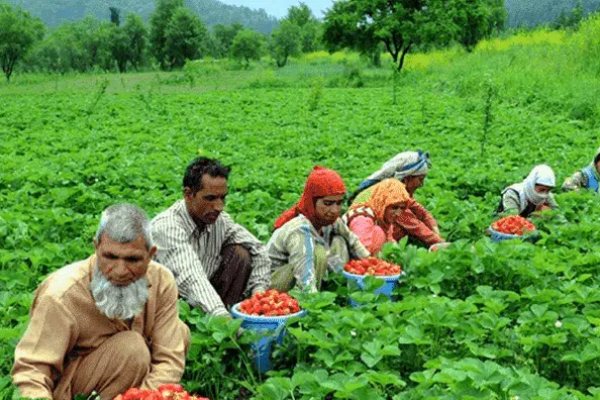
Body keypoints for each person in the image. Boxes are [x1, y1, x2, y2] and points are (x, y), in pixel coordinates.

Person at [12, 204, 189, 400]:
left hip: (131, 383)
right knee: (132, 349)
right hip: (73, 388)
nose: (120, 271)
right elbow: (31, 371)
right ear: (96, 247)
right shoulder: (61, 295)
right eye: (110, 257)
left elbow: (169, 361)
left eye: (133, 260)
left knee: (179, 332)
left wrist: (140, 398)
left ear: (151, 254)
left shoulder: (162, 280)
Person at [151, 157, 270, 317]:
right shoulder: (167, 227)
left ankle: (228, 316)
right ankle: (221, 322)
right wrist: (221, 316)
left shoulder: (220, 221)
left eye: (223, 198)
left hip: (205, 298)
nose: (219, 206)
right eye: (210, 198)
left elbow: (259, 250)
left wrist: (258, 294)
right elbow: (190, 277)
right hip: (164, 305)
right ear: (188, 194)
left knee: (240, 254)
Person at [268, 166, 370, 292]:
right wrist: (315, 306)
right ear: (312, 202)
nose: (334, 210)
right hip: (275, 285)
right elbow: (304, 275)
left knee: (340, 241)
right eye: (327, 203)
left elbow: (353, 241)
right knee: (318, 253)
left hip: (305, 273)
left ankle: (337, 284)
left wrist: (373, 268)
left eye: (339, 203)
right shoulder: (299, 229)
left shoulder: (329, 220)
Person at [349, 151, 444, 247]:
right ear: (407, 178)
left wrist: (435, 229)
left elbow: (421, 211)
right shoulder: (392, 196)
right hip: (366, 237)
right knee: (401, 227)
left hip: (376, 233)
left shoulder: (396, 190)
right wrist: (440, 242)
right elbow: (413, 224)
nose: (421, 184)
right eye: (420, 179)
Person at [343, 179, 412, 254]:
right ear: (383, 203)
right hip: (345, 256)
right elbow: (360, 252)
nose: (398, 213)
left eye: (402, 208)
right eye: (394, 208)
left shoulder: (383, 217)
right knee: (379, 233)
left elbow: (390, 242)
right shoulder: (363, 218)